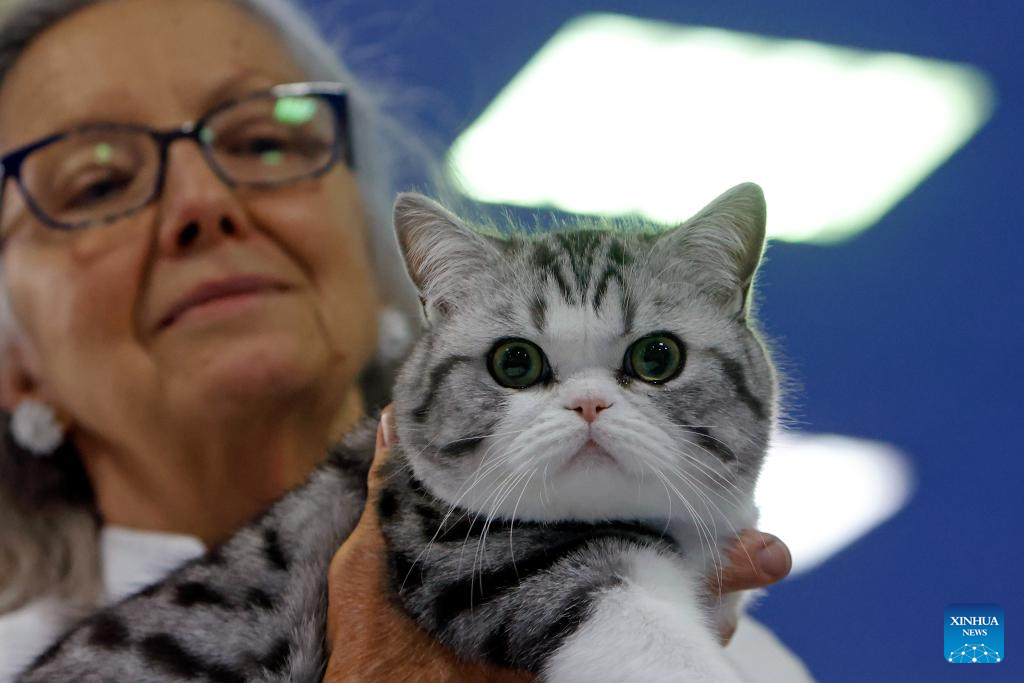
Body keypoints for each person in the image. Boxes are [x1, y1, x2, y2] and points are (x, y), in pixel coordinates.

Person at [0, 0, 812, 681]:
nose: (202, 202)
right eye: (96, 181)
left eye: (263, 139)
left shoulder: (758, 661)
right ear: (12, 362)